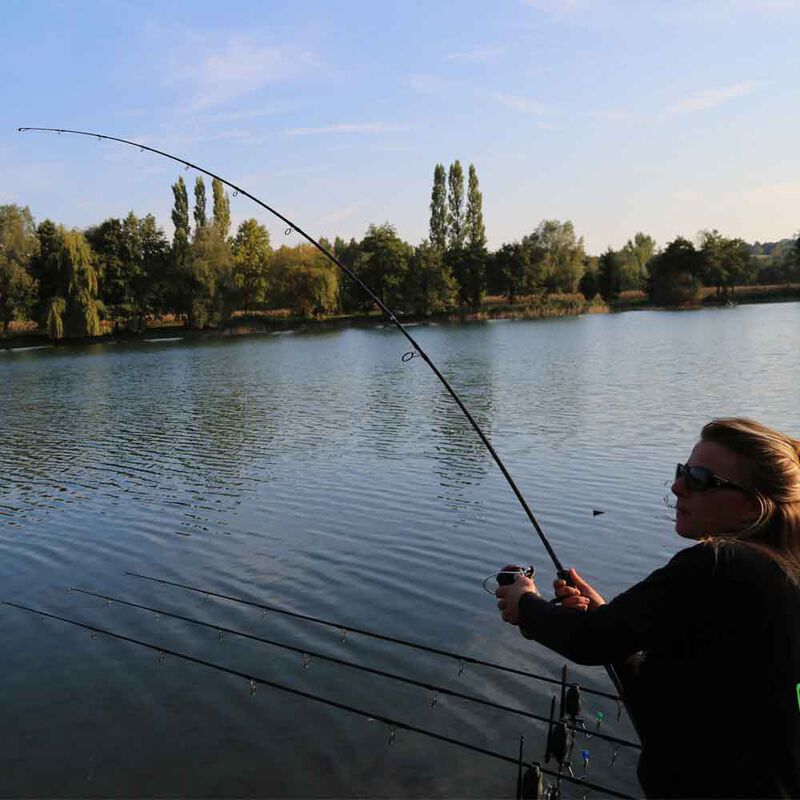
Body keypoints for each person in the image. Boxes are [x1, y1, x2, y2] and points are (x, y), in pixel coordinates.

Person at [495, 418, 800, 798]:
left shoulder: (719, 565)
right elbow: (676, 705)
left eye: (700, 478)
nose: (677, 486)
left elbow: (590, 641)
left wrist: (524, 603)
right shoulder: (779, 574)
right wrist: (608, 618)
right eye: (682, 471)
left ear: (752, 508)